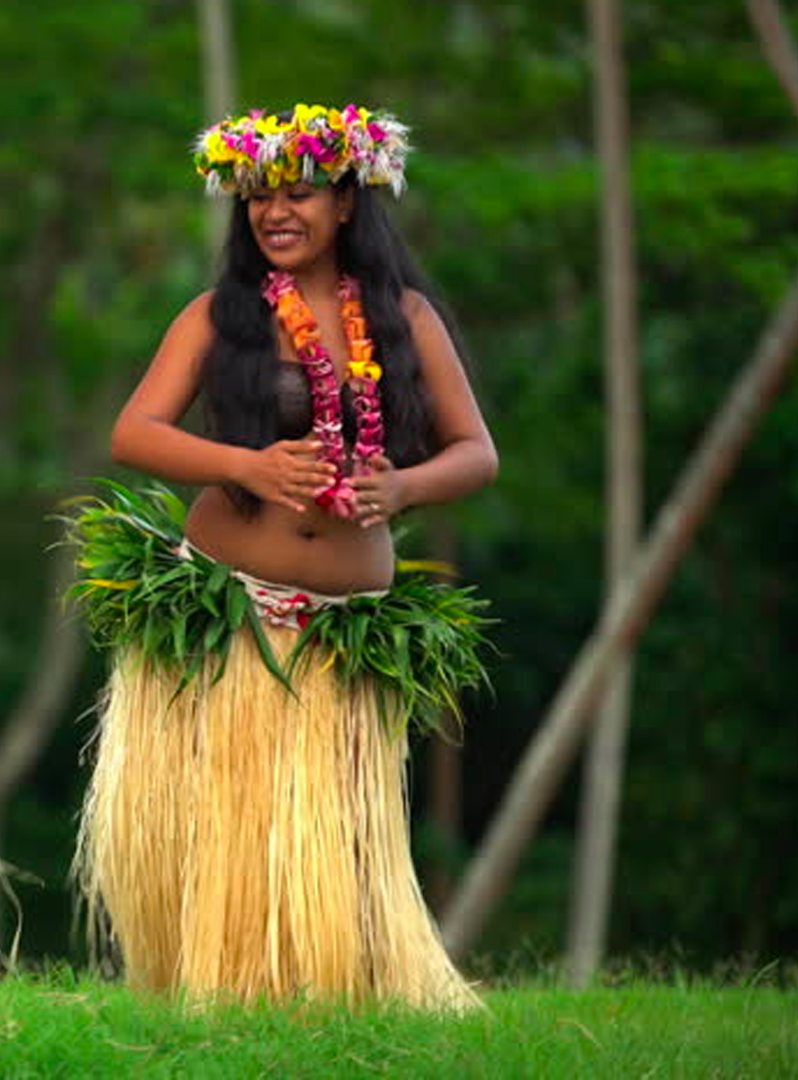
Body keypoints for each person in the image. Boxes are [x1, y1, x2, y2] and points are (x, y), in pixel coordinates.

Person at [72, 104, 496, 1009]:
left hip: (345, 635)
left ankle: (336, 984)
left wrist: (406, 488)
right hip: (233, 613)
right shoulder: (218, 316)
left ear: (348, 202)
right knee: (227, 829)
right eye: (258, 195)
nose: (274, 212)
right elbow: (133, 432)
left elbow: (476, 452)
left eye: (298, 192)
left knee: (332, 836)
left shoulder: (403, 318)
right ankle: (219, 983)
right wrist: (245, 465)